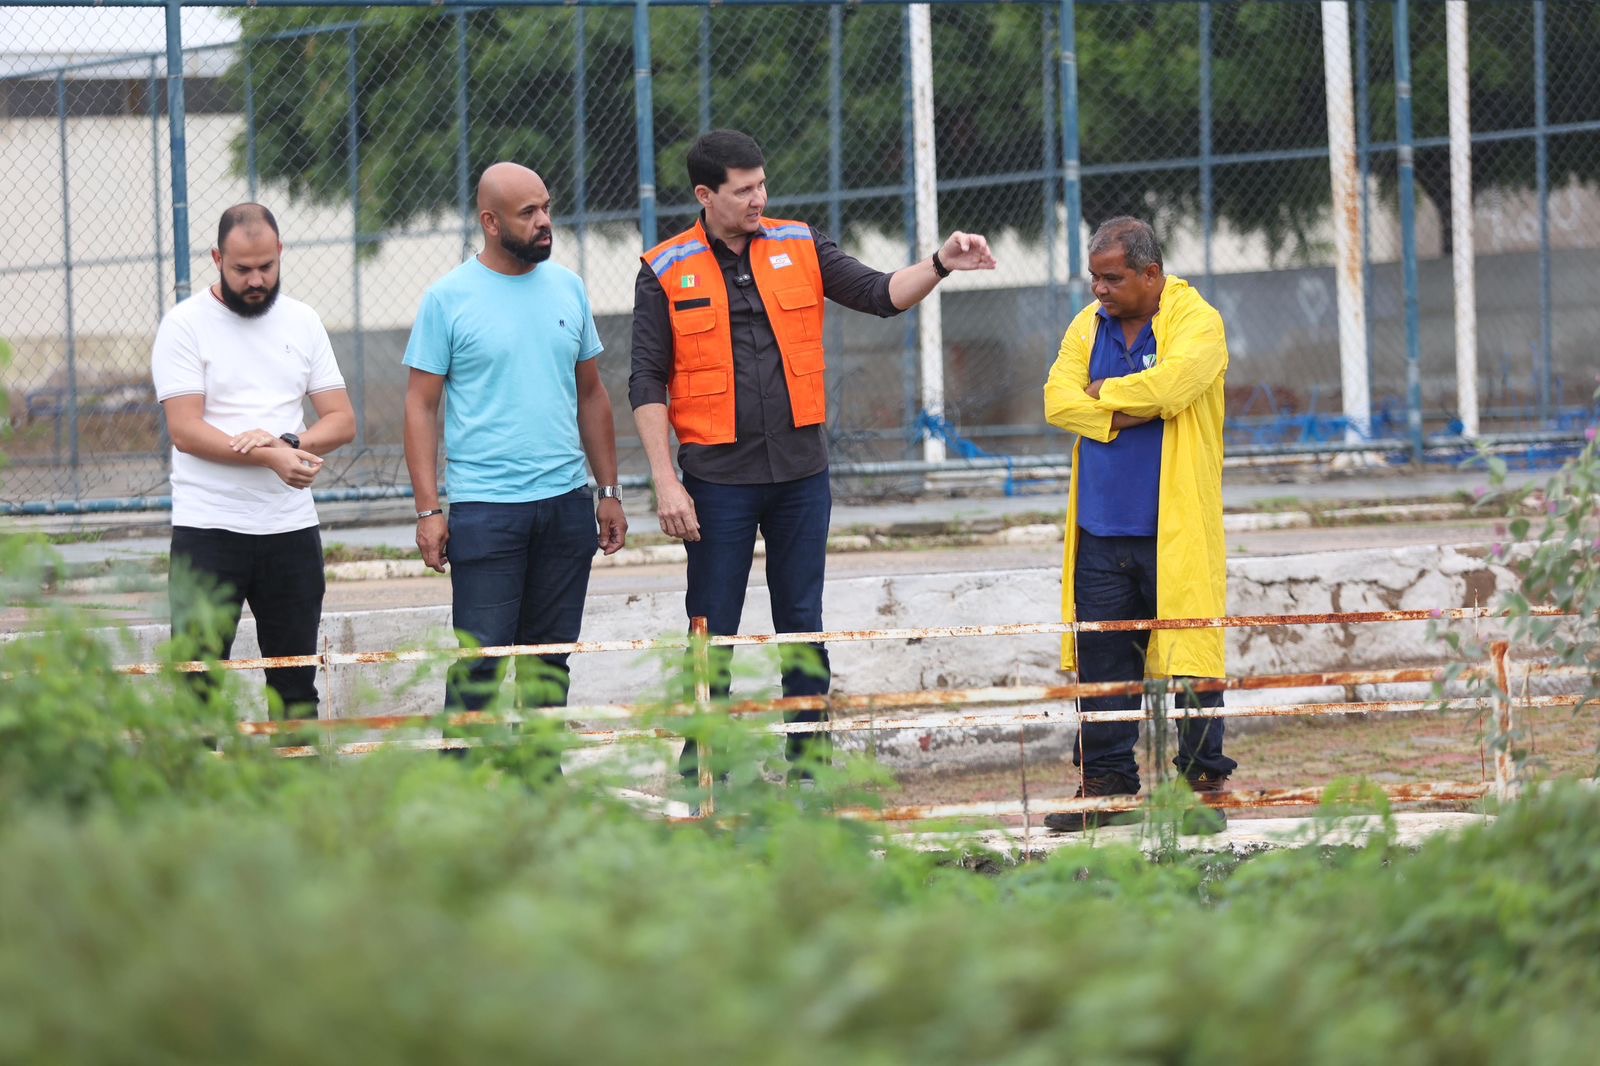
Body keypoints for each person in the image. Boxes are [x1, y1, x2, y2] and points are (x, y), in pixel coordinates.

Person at [629, 128, 996, 782]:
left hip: (801, 474)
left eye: (762, 185)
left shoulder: (799, 242)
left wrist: (940, 263)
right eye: (743, 191)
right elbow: (646, 379)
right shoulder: (664, 267)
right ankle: (705, 769)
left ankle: (810, 766)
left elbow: (881, 294)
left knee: (803, 621)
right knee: (712, 625)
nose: (758, 199)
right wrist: (666, 482)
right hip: (716, 480)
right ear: (704, 194)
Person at [403, 162, 626, 727]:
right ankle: (463, 787)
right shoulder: (447, 298)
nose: (544, 221)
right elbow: (420, 406)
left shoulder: (569, 288)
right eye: (528, 213)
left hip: (565, 504)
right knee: (481, 664)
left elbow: (592, 396)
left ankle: (540, 785)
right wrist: (429, 510)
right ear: (490, 221)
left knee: (549, 664)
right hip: (486, 510)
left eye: (546, 207)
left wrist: (608, 491)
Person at [1040, 216, 1236, 832]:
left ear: (1151, 274)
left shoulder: (1198, 322)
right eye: (1094, 277)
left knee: (1193, 658)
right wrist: (1130, 408)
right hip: (1100, 532)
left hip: (1174, 531)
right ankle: (1108, 790)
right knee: (1102, 665)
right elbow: (1055, 400)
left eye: (1113, 278)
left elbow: (1175, 387)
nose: (1099, 290)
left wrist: (1099, 400)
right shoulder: (1085, 325)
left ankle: (1201, 789)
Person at [153, 203, 355, 728]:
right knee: (197, 684)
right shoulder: (184, 326)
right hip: (208, 531)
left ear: (280, 252)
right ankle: (195, 802)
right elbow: (186, 429)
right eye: (242, 269)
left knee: (294, 686)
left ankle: (295, 804)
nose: (256, 279)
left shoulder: (303, 321)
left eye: (266, 266)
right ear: (217, 258)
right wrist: (270, 456)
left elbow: (341, 419)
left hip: (289, 531)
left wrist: (290, 441)